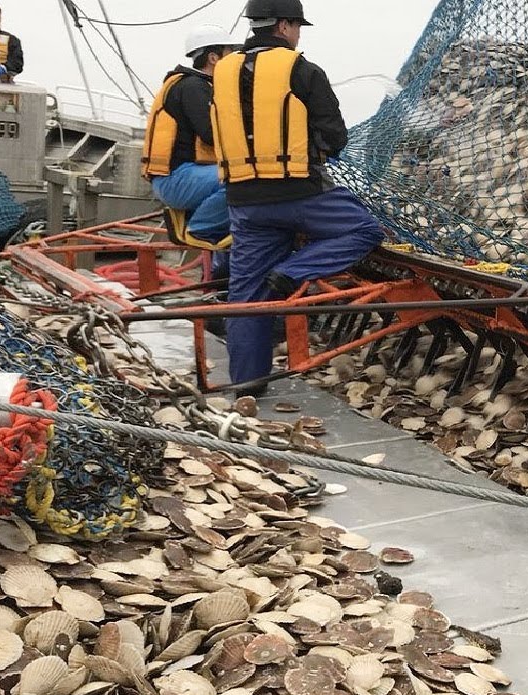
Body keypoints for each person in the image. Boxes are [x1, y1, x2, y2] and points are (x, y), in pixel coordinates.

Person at [211, 0, 385, 397]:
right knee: (364, 229)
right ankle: (294, 272)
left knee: (247, 296)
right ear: (285, 26)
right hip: (301, 195)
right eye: (298, 26)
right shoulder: (303, 70)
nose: (299, 34)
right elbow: (335, 137)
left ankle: (248, 389)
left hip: (244, 202)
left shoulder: (222, 73)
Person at [141, 25, 239, 245]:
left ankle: (217, 250)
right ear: (214, 58)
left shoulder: (195, 85)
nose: (234, 58)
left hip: (182, 175)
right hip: (176, 178)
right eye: (230, 52)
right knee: (240, 177)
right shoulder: (194, 87)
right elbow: (211, 134)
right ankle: (200, 229)